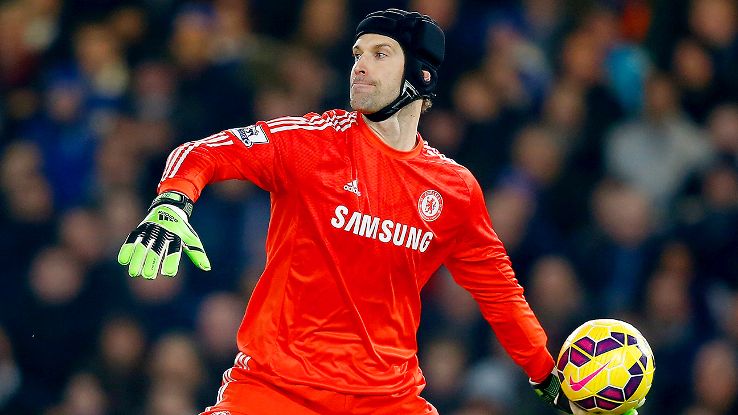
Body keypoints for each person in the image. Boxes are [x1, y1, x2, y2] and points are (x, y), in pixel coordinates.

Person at [117, 8, 637, 415]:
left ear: (420, 76)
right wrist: (172, 200)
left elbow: (500, 294)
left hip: (387, 401)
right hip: (276, 391)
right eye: (357, 53)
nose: (360, 65)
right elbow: (205, 152)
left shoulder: (454, 190)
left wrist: (546, 376)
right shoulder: (310, 143)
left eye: (380, 54)